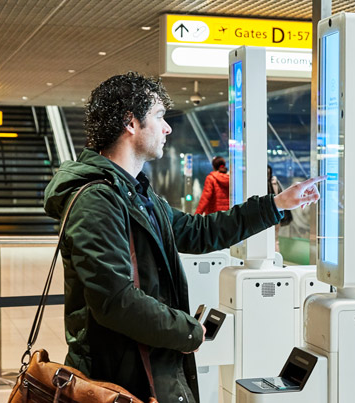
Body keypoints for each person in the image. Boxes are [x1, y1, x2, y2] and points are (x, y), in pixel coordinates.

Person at [43, 72, 323, 403]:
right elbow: (114, 301)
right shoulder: (96, 200)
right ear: (130, 123)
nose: (167, 128)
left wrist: (275, 205)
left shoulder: (135, 194)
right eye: (159, 117)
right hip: (117, 380)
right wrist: (186, 330)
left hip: (145, 368)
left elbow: (197, 232)